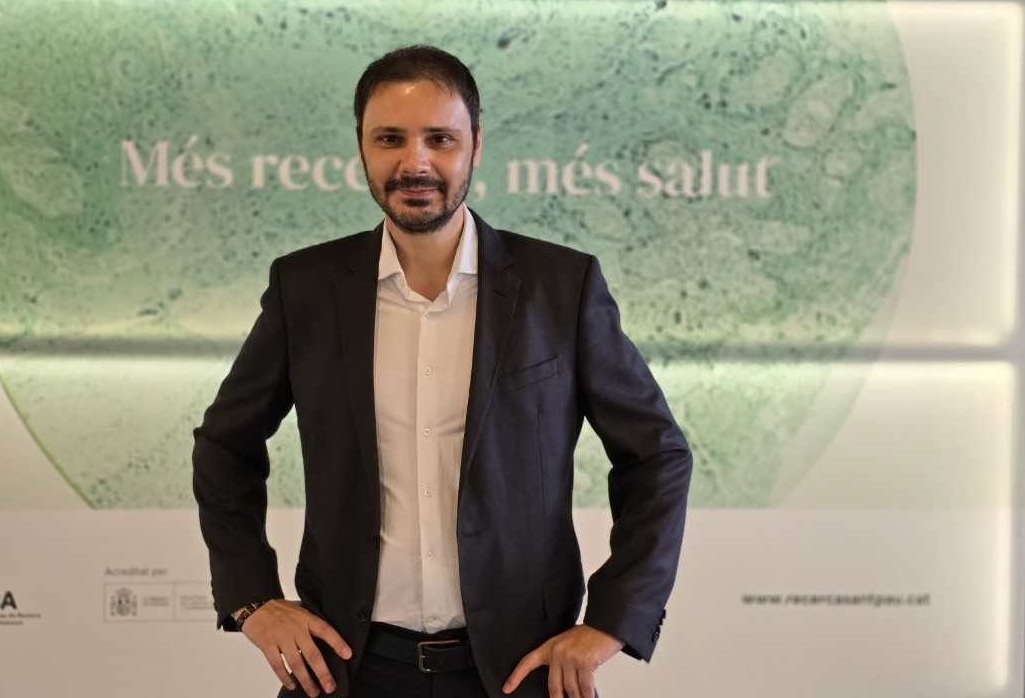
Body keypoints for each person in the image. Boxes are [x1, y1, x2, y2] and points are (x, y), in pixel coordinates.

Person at [193, 45, 692, 698]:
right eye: (390, 139)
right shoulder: (306, 289)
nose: (415, 162)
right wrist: (252, 598)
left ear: (476, 145)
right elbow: (225, 445)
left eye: (440, 139)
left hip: (520, 670)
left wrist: (614, 618)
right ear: (361, 146)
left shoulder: (560, 287)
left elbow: (657, 454)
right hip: (346, 667)